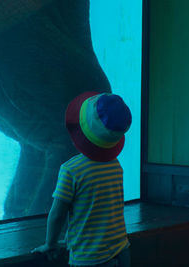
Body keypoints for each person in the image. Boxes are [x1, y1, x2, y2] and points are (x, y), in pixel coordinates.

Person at [32, 91, 132, 267]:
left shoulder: (71, 170)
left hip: (90, 257)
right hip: (122, 250)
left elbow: (57, 214)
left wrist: (50, 244)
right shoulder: (115, 165)